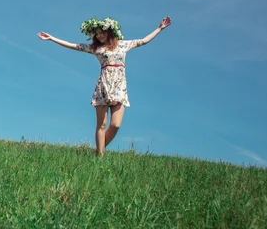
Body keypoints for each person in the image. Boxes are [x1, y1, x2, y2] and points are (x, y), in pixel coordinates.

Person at [37, 16, 171, 156]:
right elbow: (74, 45)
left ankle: (97, 150)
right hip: (103, 86)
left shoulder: (123, 45)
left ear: (109, 32)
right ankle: (100, 157)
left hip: (119, 86)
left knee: (115, 125)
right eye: (97, 34)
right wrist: (52, 38)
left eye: (102, 32)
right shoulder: (96, 49)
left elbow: (143, 41)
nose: (100, 36)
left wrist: (159, 28)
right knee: (101, 125)